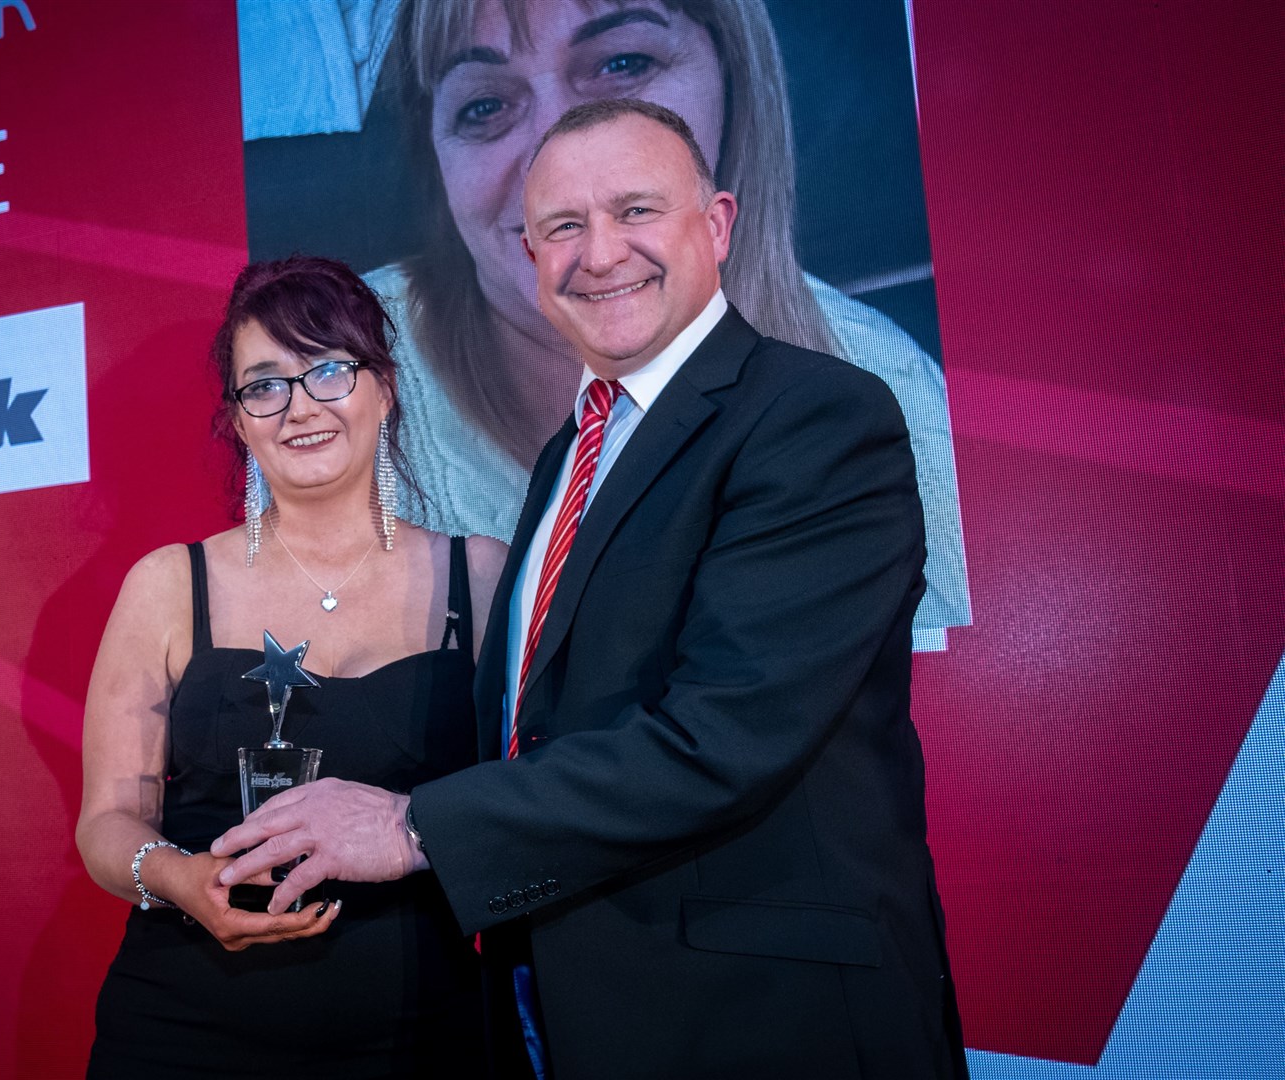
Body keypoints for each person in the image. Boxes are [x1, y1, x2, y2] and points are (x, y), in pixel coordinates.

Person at [215, 101, 968, 1078]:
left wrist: (409, 827)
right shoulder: (571, 456)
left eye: (636, 210)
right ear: (529, 255)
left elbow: (725, 738)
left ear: (719, 224)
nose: (600, 252)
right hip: (567, 1005)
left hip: (769, 1020)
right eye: (563, 226)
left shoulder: (817, 416)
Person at [348, 0, 969, 649]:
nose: (561, 165)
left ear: (735, 81)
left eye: (623, 64)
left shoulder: (886, 389)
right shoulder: (334, 373)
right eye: (484, 106)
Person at [77, 254, 507, 1077]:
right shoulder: (170, 585)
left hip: (423, 1024)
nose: (299, 407)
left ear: (383, 387)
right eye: (265, 384)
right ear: (238, 421)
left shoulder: (482, 579)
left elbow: (539, 793)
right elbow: (106, 824)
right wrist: (178, 876)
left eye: (328, 370)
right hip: (183, 1027)